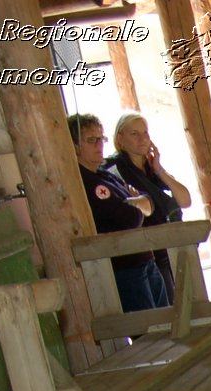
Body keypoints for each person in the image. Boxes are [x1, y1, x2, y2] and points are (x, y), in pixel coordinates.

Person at [69, 112, 168, 314]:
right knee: (148, 332)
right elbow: (130, 217)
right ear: (75, 146)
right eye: (91, 140)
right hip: (126, 267)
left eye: (101, 139)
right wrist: (136, 204)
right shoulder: (86, 182)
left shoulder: (105, 175)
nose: (99, 145)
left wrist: (136, 202)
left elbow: (149, 203)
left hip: (145, 259)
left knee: (168, 322)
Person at [103, 111, 193, 300]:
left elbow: (185, 201)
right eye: (134, 134)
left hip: (172, 247)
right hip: (148, 252)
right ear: (120, 139)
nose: (142, 139)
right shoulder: (114, 168)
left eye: (145, 133)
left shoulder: (153, 169)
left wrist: (159, 170)